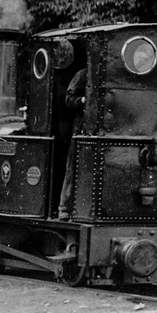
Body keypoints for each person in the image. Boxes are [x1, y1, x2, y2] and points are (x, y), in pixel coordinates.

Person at [58, 67, 87, 221]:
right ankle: (64, 207)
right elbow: (69, 100)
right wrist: (83, 100)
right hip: (82, 127)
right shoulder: (83, 74)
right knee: (73, 166)